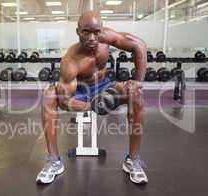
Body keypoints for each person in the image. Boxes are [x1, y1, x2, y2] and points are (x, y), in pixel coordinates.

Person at [36, 10, 148, 184]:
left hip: (105, 84)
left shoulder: (107, 37)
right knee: (49, 95)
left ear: (101, 30)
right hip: (80, 90)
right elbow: (65, 102)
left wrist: (138, 82)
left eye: (96, 32)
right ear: (78, 32)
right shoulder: (71, 61)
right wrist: (93, 106)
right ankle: (54, 161)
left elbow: (139, 45)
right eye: (86, 32)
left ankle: (133, 159)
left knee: (137, 94)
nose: (92, 38)